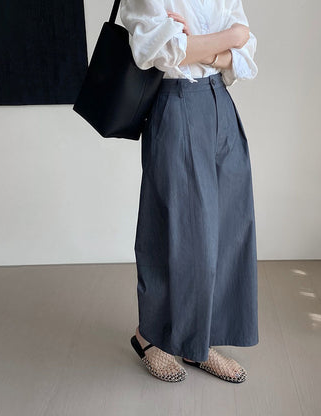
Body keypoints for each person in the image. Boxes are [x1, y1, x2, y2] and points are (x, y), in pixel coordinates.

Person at [120, 0, 259, 383]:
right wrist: (227, 39)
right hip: (177, 102)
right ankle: (150, 336)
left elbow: (246, 48)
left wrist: (200, 44)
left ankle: (198, 339)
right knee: (182, 230)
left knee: (229, 227)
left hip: (220, 105)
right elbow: (159, 52)